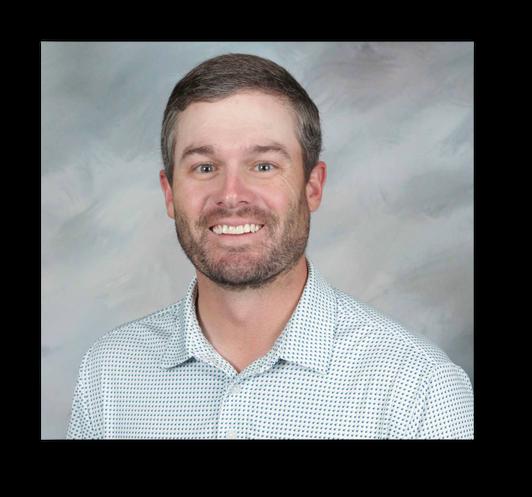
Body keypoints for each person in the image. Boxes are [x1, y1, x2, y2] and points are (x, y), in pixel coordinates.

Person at [66, 53, 474, 439]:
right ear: (169, 193)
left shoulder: (420, 391)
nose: (231, 195)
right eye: (204, 167)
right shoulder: (109, 372)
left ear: (312, 187)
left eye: (263, 166)